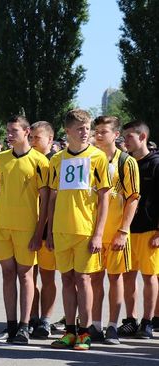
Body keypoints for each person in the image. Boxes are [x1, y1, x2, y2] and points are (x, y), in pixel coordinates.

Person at [48, 109, 110, 351]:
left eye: (87, 128)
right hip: (61, 230)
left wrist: (98, 234)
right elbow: (52, 197)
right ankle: (70, 331)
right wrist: (50, 231)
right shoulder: (57, 160)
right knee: (66, 279)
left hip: (85, 230)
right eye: (80, 128)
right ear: (68, 131)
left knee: (83, 280)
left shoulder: (98, 157)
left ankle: (85, 332)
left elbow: (104, 197)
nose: (85, 132)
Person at [0, 116, 49, 344]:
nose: (9, 135)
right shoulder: (0, 159)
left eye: (14, 130)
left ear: (27, 132)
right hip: (2, 226)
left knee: (25, 275)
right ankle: (11, 326)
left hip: (27, 228)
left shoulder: (40, 161)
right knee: (7, 274)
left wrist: (39, 231)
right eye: (8, 131)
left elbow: (45, 200)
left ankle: (25, 326)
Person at [85, 117, 140, 344]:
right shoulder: (90, 159)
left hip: (116, 231)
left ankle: (112, 326)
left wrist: (123, 230)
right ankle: (95, 325)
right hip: (93, 232)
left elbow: (133, 198)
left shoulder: (126, 162)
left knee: (115, 278)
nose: (98, 135)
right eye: (96, 131)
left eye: (103, 131)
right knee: (94, 278)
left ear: (116, 135)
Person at [120, 120, 159, 339]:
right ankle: (130, 320)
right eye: (123, 136)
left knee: (149, 277)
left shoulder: (155, 163)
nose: (124, 141)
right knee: (128, 277)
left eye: (129, 136)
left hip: (149, 230)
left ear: (142, 137)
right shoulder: (126, 163)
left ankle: (148, 321)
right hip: (126, 231)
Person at [28, 121, 57, 338]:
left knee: (47, 277)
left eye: (37, 137)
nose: (32, 141)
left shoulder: (56, 162)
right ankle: (31, 317)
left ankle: (45, 320)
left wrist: (51, 230)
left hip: (48, 229)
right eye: (31, 137)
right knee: (29, 277)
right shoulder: (28, 159)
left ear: (50, 139)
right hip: (27, 225)